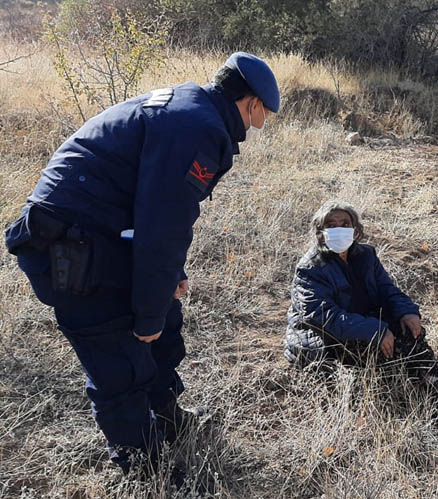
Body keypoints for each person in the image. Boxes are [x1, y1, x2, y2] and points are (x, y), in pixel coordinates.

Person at [4, 52, 280, 477]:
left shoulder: (193, 108)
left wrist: (167, 283)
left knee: (163, 325)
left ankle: (169, 423)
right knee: (118, 354)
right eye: (260, 116)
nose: (256, 126)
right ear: (252, 104)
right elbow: (161, 226)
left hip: (97, 232)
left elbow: (155, 210)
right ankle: (146, 472)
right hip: (69, 246)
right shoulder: (197, 128)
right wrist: (148, 312)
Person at [284, 199, 438, 400]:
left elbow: (386, 289)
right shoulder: (310, 268)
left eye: (345, 224)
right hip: (325, 338)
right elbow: (323, 317)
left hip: (364, 321)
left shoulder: (366, 255)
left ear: (355, 230)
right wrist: (375, 329)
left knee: (412, 335)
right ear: (320, 232)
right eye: (331, 225)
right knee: (381, 351)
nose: (339, 229)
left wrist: (407, 311)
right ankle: (393, 401)